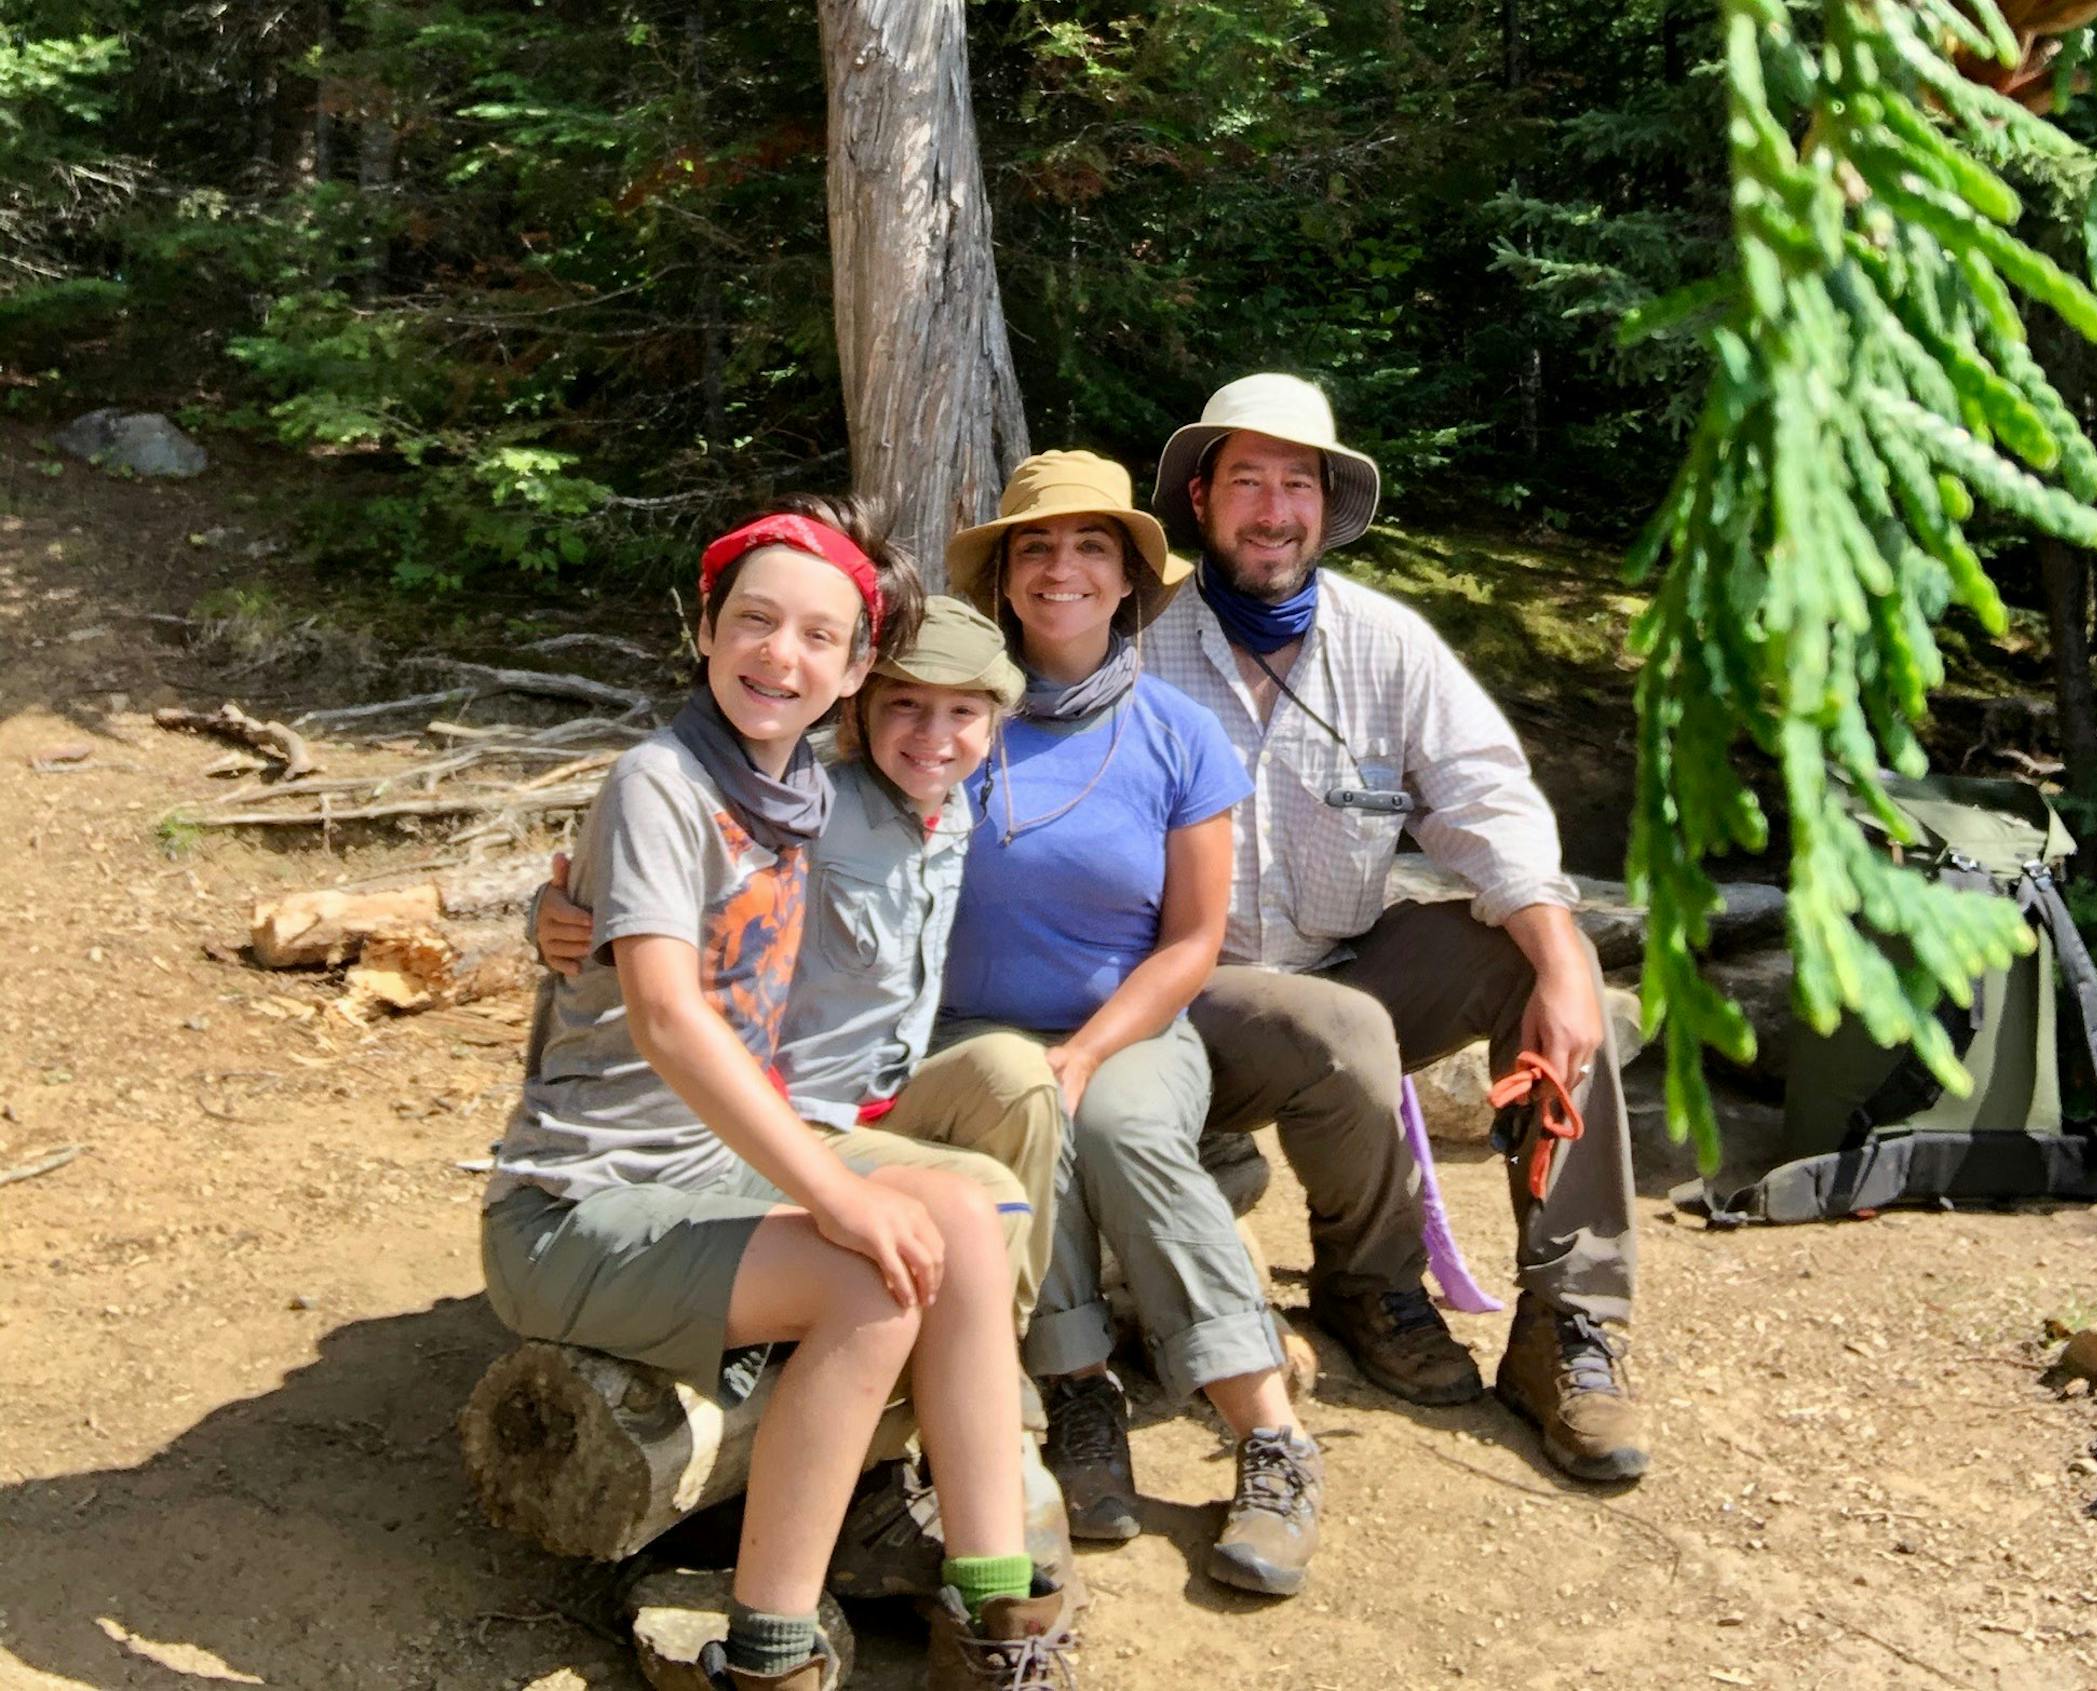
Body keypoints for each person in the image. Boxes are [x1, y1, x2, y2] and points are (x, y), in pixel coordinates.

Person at [482, 500, 1076, 1691]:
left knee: (964, 1219)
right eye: (754, 621)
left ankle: (997, 1609)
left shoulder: (795, 777)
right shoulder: (662, 780)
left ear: (853, 669)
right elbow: (663, 1013)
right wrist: (832, 1193)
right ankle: (769, 1652)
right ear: (704, 629)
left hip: (709, 1175)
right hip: (579, 1203)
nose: (780, 654)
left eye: (818, 636)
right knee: (874, 1264)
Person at [1141, 374, 1650, 1484]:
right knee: (1334, 1025)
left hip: (1345, 957)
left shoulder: (1387, 642)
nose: (1272, 510)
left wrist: (1561, 957)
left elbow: (1486, 799)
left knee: (1560, 987)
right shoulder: (1132, 642)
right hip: (1178, 1000)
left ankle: (1564, 1324)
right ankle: (1373, 1282)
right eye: (1246, 482)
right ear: (1197, 498)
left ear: (1326, 506)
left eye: (1297, 484)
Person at [939, 450, 1324, 1598]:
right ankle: (1080, 1396)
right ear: (1003, 578)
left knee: (1116, 1126)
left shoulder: (1176, 733)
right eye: (1036, 548)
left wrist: (1089, 1050)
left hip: (1137, 1022)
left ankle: (1268, 1434)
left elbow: (1193, 939)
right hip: (969, 1029)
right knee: (1023, 1105)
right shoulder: (942, 718)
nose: (1062, 568)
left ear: (1129, 579)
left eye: (1090, 547)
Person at [536, 596, 1064, 1331]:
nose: (933, 737)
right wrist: (552, 911)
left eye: (962, 713)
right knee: (983, 1196)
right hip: (790, 1112)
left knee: (1018, 1076)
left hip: (884, 1089)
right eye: (906, 705)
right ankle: (923, 1396)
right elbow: (677, 875)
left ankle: (1006, 1340)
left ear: (994, 723)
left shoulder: (957, 811)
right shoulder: (803, 805)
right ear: (859, 710)